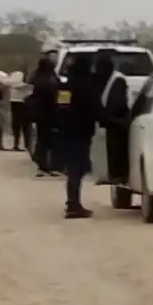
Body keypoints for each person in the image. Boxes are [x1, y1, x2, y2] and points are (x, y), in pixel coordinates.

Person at [60, 53, 98, 218]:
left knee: (73, 169)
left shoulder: (67, 85)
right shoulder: (88, 85)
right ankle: (73, 205)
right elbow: (96, 108)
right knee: (77, 169)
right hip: (82, 132)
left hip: (68, 131)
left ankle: (72, 203)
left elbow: (62, 106)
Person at [96, 51, 132, 187]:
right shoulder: (109, 79)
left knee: (118, 150)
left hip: (119, 121)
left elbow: (118, 103)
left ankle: (118, 176)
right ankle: (111, 175)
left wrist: (106, 116)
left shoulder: (118, 80)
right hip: (112, 121)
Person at [27, 56, 59, 177]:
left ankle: (45, 166)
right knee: (46, 140)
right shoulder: (47, 79)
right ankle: (45, 166)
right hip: (47, 113)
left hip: (44, 114)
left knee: (44, 140)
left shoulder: (38, 78)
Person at [7, 68, 31, 151]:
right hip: (16, 102)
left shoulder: (30, 81)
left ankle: (27, 145)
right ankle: (16, 144)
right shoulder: (16, 78)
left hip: (25, 103)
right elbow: (14, 85)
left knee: (26, 126)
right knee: (16, 125)